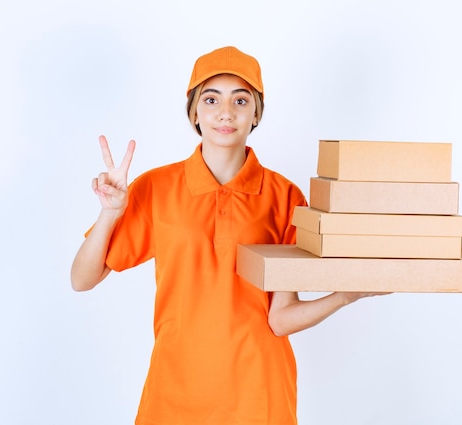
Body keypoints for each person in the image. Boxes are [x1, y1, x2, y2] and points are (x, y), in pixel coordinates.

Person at [71, 46, 388, 425]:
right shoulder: (156, 187)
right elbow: (81, 279)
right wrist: (109, 214)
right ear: (195, 113)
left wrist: (345, 295)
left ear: (256, 113)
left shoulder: (285, 197)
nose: (226, 112)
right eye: (211, 99)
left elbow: (280, 318)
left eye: (241, 100)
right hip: (174, 393)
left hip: (260, 395)